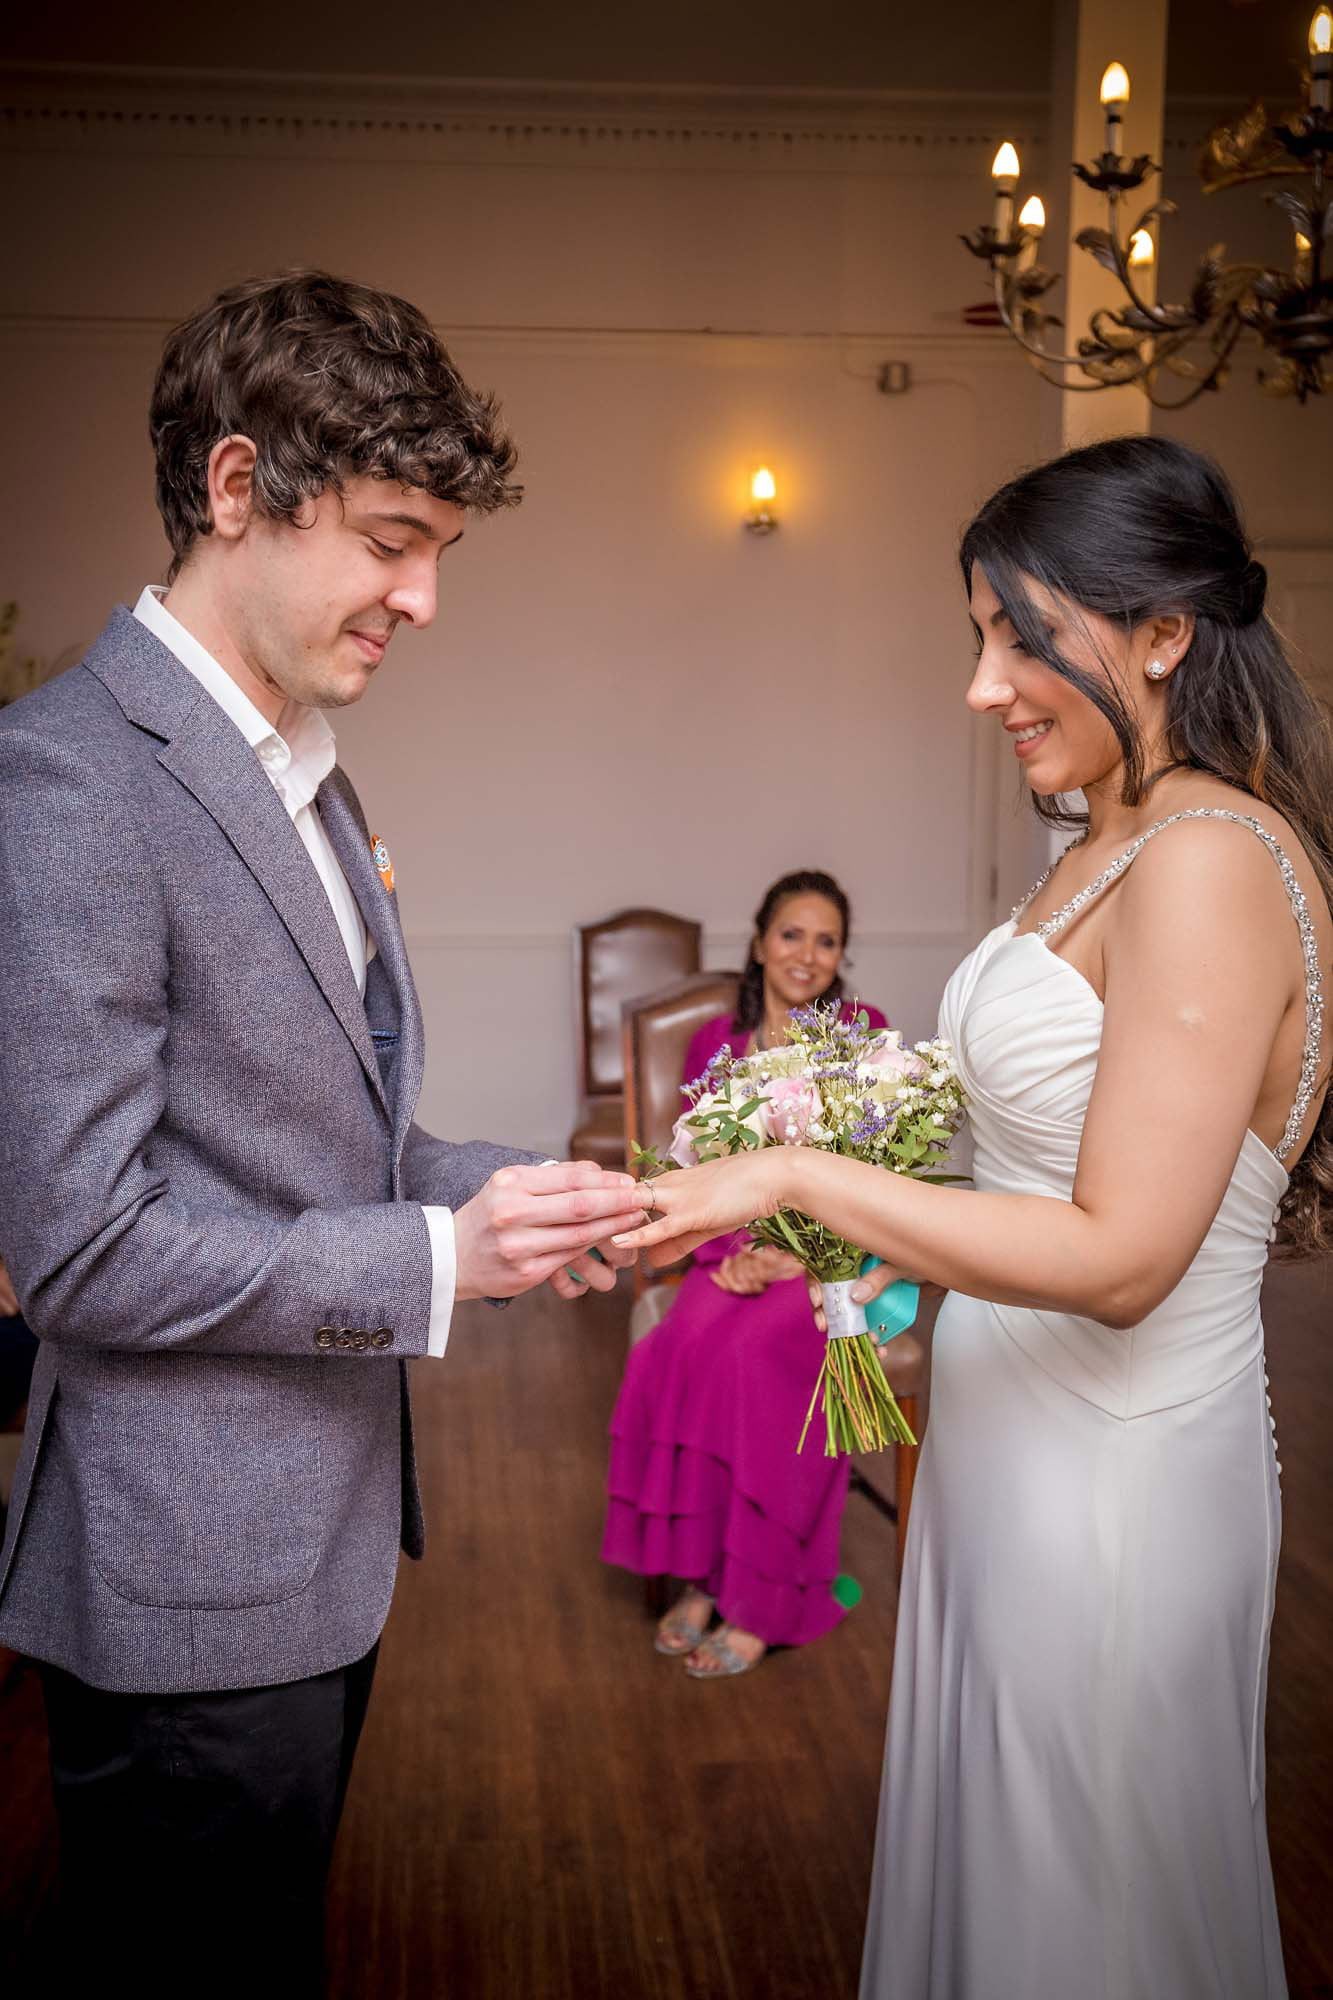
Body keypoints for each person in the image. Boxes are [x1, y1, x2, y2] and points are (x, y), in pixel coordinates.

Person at [0, 270, 648, 1997]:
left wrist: (498, 1189)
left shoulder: (302, 757)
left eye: (438, 549)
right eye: (388, 540)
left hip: (309, 1551)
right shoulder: (67, 781)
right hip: (184, 1578)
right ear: (234, 491)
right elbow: (80, 1246)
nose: (423, 597)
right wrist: (443, 1262)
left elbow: (322, 1130)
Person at [616, 435, 1329, 1997]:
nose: (983, 683)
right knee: (1002, 1873)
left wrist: (798, 1174)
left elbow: (1127, 1255)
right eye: (977, 637)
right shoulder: (1099, 846)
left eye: (1019, 632)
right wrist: (814, 1152)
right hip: (1009, 1454)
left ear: (1161, 633)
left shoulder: (1210, 856)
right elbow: (1029, 1146)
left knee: (1088, 1903)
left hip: (1114, 1480)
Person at [602, 870, 888, 1678]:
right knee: (678, 1346)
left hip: (824, 1266)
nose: (806, 954)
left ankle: (763, 1597)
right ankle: (704, 1575)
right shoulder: (715, 1048)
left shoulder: (862, 1035)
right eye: (791, 934)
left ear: (841, 957)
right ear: (760, 942)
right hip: (732, 1254)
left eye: (825, 941)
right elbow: (695, 1172)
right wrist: (731, 1258)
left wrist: (798, 1256)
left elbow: (871, 1179)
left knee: (754, 1362)